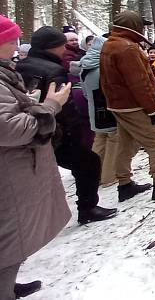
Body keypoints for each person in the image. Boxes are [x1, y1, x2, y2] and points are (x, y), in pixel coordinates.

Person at [0, 15, 72, 300]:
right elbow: (10, 129)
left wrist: (31, 103)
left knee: (13, 240)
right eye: (12, 41)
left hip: (14, 172)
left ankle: (8, 285)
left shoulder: (7, 74)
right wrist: (50, 107)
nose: (17, 47)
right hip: (9, 175)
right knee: (9, 237)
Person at [16, 27, 118, 224]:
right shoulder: (53, 70)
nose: (64, 49)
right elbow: (63, 104)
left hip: (31, 128)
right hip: (54, 129)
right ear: (51, 47)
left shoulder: (22, 65)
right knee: (88, 163)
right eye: (62, 45)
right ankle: (87, 208)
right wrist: (74, 127)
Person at [100, 11, 155, 202]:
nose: (143, 29)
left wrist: (143, 64)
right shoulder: (128, 48)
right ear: (133, 26)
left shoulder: (112, 43)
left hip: (118, 103)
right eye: (141, 25)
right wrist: (154, 110)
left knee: (126, 142)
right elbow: (139, 84)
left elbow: (118, 76)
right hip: (133, 105)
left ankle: (125, 184)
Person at [79, 35, 119, 186]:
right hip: (107, 108)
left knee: (99, 140)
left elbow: (84, 92)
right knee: (113, 140)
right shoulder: (103, 66)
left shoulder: (85, 66)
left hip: (93, 108)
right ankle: (109, 176)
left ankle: (94, 174)